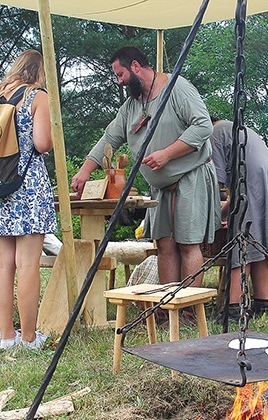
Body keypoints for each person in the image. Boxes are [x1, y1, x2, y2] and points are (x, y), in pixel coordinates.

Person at [71, 46, 221, 288]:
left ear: (136, 67)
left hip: (191, 177)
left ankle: (187, 310)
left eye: (120, 75)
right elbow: (109, 138)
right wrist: (84, 171)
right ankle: (166, 304)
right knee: (164, 244)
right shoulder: (132, 105)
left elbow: (204, 126)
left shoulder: (177, 88)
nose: (119, 82)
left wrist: (167, 154)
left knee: (188, 244)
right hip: (160, 188)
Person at [0, 50, 56, 350]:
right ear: (40, 71)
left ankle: (6, 336)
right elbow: (41, 142)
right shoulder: (37, 96)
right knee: (27, 265)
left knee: (2, 265)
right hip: (27, 187)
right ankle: (28, 336)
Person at [210, 118, 268, 320]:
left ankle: (234, 308)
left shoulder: (214, 132)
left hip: (253, 180)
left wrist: (208, 216)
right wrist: (220, 216)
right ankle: (262, 304)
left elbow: (215, 182)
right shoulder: (238, 129)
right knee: (259, 245)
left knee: (243, 246)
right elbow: (236, 194)